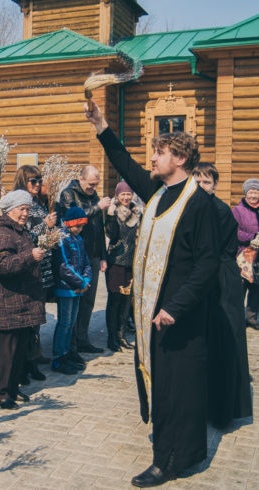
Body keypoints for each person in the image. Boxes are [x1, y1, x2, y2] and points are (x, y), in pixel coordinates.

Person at [85, 101, 219, 487]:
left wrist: (175, 308)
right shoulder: (158, 193)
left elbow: (206, 265)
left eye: (159, 152)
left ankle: (170, 460)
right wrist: (102, 125)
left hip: (179, 314)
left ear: (178, 157)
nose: (153, 158)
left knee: (180, 388)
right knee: (165, 385)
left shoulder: (200, 204)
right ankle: (181, 452)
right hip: (153, 312)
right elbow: (124, 163)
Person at [193, 163, 252, 428]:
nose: (201, 186)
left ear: (215, 186)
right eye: (197, 180)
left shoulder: (218, 210)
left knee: (224, 344)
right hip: (207, 279)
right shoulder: (197, 208)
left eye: (206, 182)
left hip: (222, 281)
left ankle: (223, 411)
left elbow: (212, 251)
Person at [0, 190, 46, 410]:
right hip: (6, 302)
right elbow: (2, 266)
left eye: (28, 209)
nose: (25, 214)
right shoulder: (1, 233)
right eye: (22, 209)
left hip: (21, 302)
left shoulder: (19, 231)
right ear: (10, 210)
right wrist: (30, 256)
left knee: (18, 350)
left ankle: (12, 387)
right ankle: (0, 393)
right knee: (4, 353)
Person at [59, 165, 108, 356]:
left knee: (88, 300)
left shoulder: (94, 196)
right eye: (91, 184)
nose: (93, 188)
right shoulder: (68, 194)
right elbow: (75, 217)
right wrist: (97, 207)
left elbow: (99, 228)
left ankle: (82, 339)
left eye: (96, 185)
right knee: (74, 302)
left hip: (93, 255)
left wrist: (103, 256)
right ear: (81, 179)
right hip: (76, 256)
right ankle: (70, 346)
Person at [13, 165, 55, 381]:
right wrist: (45, 227)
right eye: (33, 181)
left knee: (38, 316)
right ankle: (27, 362)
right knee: (28, 318)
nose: (38, 184)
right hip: (29, 264)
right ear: (23, 181)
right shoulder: (19, 204)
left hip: (43, 265)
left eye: (40, 180)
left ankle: (34, 357)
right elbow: (22, 235)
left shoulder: (39, 202)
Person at [51, 204, 91, 375]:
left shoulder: (78, 239)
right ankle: (58, 356)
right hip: (66, 288)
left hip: (78, 288)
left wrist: (87, 279)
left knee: (71, 323)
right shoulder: (62, 238)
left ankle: (67, 353)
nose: (80, 229)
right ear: (69, 223)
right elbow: (64, 266)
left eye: (82, 226)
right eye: (77, 226)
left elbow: (86, 263)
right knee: (64, 322)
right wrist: (81, 283)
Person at [104, 181, 141, 352]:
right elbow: (111, 234)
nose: (126, 197)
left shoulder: (137, 212)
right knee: (115, 301)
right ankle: (112, 338)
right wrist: (111, 215)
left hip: (130, 263)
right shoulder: (114, 212)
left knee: (126, 302)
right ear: (117, 196)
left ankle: (121, 335)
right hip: (116, 262)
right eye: (122, 194)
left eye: (128, 194)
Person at [232, 178, 259, 329]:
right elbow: (234, 232)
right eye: (251, 191)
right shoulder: (237, 211)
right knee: (240, 288)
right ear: (245, 193)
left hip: (258, 257)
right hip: (242, 255)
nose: (254, 195)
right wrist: (253, 238)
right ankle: (237, 318)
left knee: (256, 288)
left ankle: (251, 317)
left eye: (256, 192)